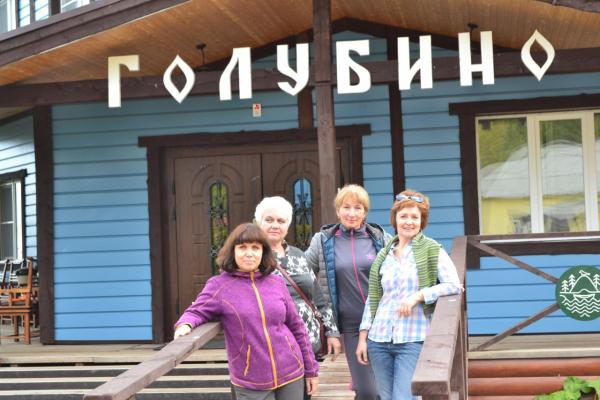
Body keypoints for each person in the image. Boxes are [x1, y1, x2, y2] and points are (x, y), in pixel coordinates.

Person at [174, 223, 319, 400]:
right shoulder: (219, 285)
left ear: (263, 252)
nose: (249, 253)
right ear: (232, 252)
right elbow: (197, 311)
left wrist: (311, 369)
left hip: (292, 371)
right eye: (242, 247)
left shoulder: (276, 282)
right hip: (251, 380)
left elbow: (297, 327)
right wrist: (185, 324)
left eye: (255, 248)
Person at [356, 190, 463, 400]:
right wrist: (362, 338)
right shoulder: (384, 254)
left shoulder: (432, 249)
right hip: (378, 339)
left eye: (415, 217)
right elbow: (373, 299)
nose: (409, 222)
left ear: (422, 221)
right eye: (403, 216)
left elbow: (454, 285)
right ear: (395, 219)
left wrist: (418, 296)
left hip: (412, 339)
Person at [305, 184, 391, 400]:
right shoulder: (323, 240)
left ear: (365, 212)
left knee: (383, 389)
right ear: (337, 210)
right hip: (351, 325)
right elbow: (302, 275)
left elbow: (404, 269)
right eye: (346, 207)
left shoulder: (380, 238)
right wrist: (329, 328)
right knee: (368, 390)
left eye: (358, 208)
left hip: (382, 322)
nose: (352, 213)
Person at [255, 196, 342, 364]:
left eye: (281, 221)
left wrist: (332, 332)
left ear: (287, 226)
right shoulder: (253, 257)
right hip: (273, 345)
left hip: (309, 343)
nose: (275, 225)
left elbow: (318, 299)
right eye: (269, 220)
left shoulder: (299, 255)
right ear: (259, 223)